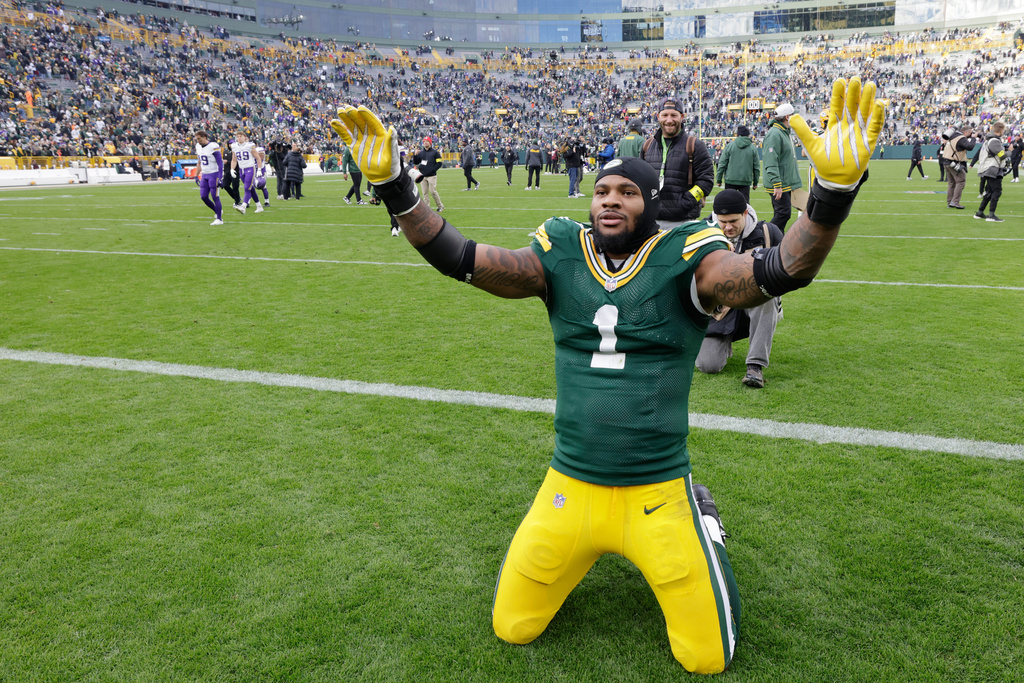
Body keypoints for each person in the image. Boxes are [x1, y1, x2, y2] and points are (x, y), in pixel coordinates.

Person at [330, 74, 885, 675]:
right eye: (601, 191)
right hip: (570, 486)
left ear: (651, 204)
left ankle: (707, 526)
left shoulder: (687, 256)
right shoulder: (559, 254)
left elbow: (781, 270)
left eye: (627, 191)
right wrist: (393, 188)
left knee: (706, 658)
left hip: (656, 491)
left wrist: (829, 194)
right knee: (511, 627)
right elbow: (459, 258)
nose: (610, 200)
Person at [695, 190, 784, 388]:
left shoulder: (768, 233)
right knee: (708, 365)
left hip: (754, 302)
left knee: (766, 292)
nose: (728, 227)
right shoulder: (701, 235)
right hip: (718, 309)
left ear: (745, 213)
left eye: (733, 221)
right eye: (722, 221)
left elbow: (786, 270)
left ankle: (755, 365)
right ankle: (723, 342)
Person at [641, 96, 714, 229]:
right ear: (658, 116)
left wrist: (685, 202)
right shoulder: (647, 146)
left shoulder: (695, 145)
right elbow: (638, 181)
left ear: (682, 116)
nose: (669, 120)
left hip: (683, 222)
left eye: (674, 115)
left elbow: (706, 181)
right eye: (665, 115)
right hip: (652, 222)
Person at [761, 103, 802, 231]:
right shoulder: (775, 134)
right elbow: (771, 160)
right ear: (787, 117)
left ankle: (777, 241)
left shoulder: (782, 132)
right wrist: (777, 184)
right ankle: (766, 236)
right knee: (783, 213)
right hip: (780, 183)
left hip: (784, 182)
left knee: (782, 213)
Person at [973, 120, 1008, 223]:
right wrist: (1009, 151)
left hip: (987, 168)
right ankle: (991, 215)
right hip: (992, 168)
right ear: (1001, 130)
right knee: (997, 190)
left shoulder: (988, 140)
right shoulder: (994, 141)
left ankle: (980, 212)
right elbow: (1002, 155)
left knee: (989, 191)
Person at [715, 125, 760, 201]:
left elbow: (722, 163)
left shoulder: (730, 146)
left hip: (730, 179)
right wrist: (755, 182)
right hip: (745, 180)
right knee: (745, 205)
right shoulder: (752, 148)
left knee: (729, 205)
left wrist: (719, 179)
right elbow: (756, 167)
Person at [940, 124, 975, 210]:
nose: (971, 134)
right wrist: (973, 138)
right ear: (966, 132)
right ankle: (955, 201)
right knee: (961, 181)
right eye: (970, 132)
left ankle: (950, 202)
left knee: (951, 183)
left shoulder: (953, 136)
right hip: (954, 162)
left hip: (946, 161)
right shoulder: (961, 138)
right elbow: (970, 147)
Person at [194, 130, 224, 225]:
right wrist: (196, 175)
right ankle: (217, 211)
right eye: (197, 139)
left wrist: (220, 177)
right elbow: (199, 162)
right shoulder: (198, 147)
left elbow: (220, 163)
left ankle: (219, 219)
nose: (198, 141)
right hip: (205, 174)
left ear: (205, 137)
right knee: (203, 197)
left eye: (199, 138)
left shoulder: (213, 146)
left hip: (214, 174)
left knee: (215, 196)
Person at [230, 129, 263, 214]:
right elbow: (234, 159)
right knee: (250, 188)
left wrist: (259, 169)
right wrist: (232, 169)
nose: (239, 138)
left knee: (246, 188)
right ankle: (259, 206)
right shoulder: (234, 146)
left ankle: (243, 206)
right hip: (242, 169)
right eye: (238, 136)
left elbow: (258, 157)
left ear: (245, 137)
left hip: (250, 168)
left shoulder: (249, 145)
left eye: (241, 136)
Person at [412, 136, 444, 212]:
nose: (425, 142)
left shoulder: (435, 152)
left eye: (427, 141)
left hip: (431, 176)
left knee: (433, 192)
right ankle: (427, 209)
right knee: (424, 193)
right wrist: (415, 155)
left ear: (430, 143)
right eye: (424, 141)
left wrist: (432, 170)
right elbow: (416, 162)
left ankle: (440, 206)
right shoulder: (421, 153)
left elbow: (439, 163)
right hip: (423, 175)